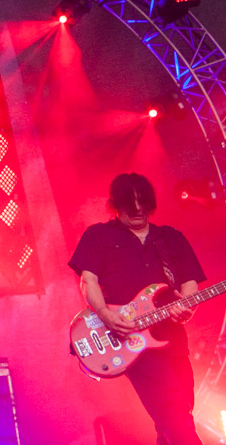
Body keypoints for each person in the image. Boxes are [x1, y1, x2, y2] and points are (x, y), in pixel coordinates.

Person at [68, 173, 205, 445]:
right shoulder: (98, 236)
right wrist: (106, 315)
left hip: (173, 338)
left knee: (179, 412)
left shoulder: (170, 238)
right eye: (131, 206)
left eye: (143, 204)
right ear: (116, 206)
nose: (139, 211)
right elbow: (88, 281)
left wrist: (187, 307)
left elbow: (190, 280)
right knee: (175, 417)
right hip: (132, 341)